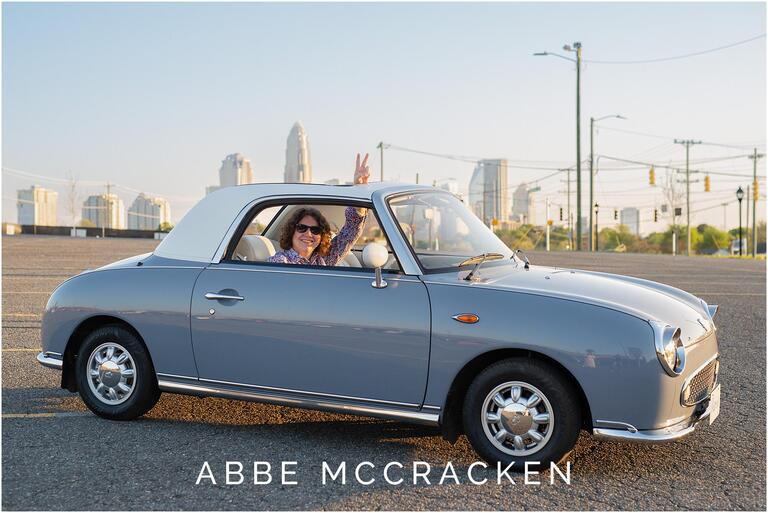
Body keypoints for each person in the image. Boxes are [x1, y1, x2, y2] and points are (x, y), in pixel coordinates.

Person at [268, 153, 370, 266]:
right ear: (291, 232)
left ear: (321, 237)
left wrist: (359, 190)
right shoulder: (280, 262)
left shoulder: (324, 260)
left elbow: (351, 230)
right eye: (301, 228)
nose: (308, 233)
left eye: (315, 230)